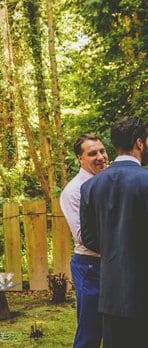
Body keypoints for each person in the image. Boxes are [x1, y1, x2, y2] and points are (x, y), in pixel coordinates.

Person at [80, 117, 148, 347]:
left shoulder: (90, 186)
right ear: (140, 143)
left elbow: (88, 237)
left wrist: (114, 248)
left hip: (110, 294)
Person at [59, 133, 108, 348]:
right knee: (90, 329)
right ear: (80, 158)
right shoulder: (73, 191)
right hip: (90, 266)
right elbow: (83, 237)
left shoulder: (111, 182)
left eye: (102, 151)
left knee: (117, 327)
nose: (100, 157)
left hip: (114, 263)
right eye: (92, 154)